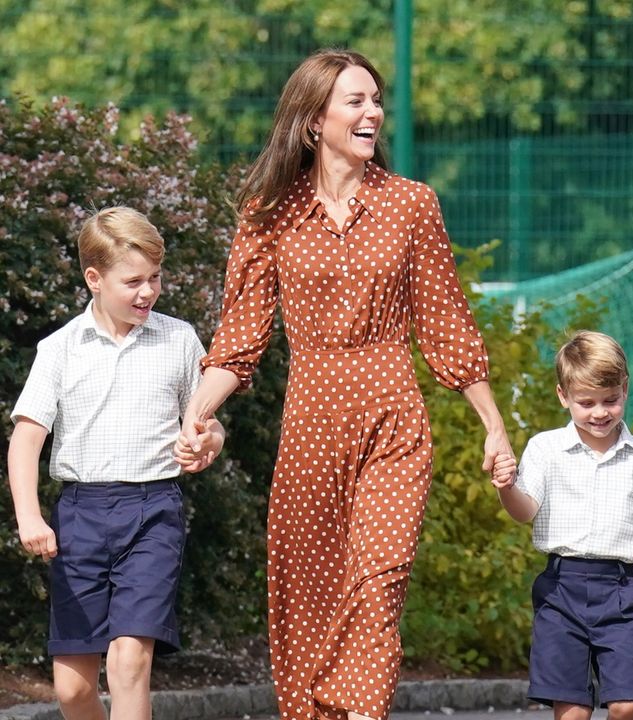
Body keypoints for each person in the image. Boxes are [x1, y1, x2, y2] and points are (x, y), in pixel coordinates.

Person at [178, 50, 513, 720]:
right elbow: (241, 336)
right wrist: (197, 415)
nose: (373, 113)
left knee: (378, 584)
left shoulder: (411, 205)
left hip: (393, 417)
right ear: (313, 120)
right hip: (310, 425)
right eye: (355, 101)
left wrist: (494, 423)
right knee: (310, 593)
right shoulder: (269, 213)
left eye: (376, 100)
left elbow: (445, 320)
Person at [7, 206, 225, 720]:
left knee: (129, 662)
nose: (147, 292)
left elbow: (209, 422)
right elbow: (25, 438)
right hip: (79, 517)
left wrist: (208, 442)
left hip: (154, 514)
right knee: (72, 690)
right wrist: (29, 516)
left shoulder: (178, 339)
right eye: (133, 281)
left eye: (154, 278)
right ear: (94, 279)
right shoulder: (59, 349)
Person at [490, 330, 633, 720]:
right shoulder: (545, 449)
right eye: (586, 403)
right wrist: (505, 488)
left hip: (621, 590)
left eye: (610, 400)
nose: (599, 412)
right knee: (574, 712)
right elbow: (525, 510)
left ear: (625, 390)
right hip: (561, 589)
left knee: (628, 704)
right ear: (563, 396)